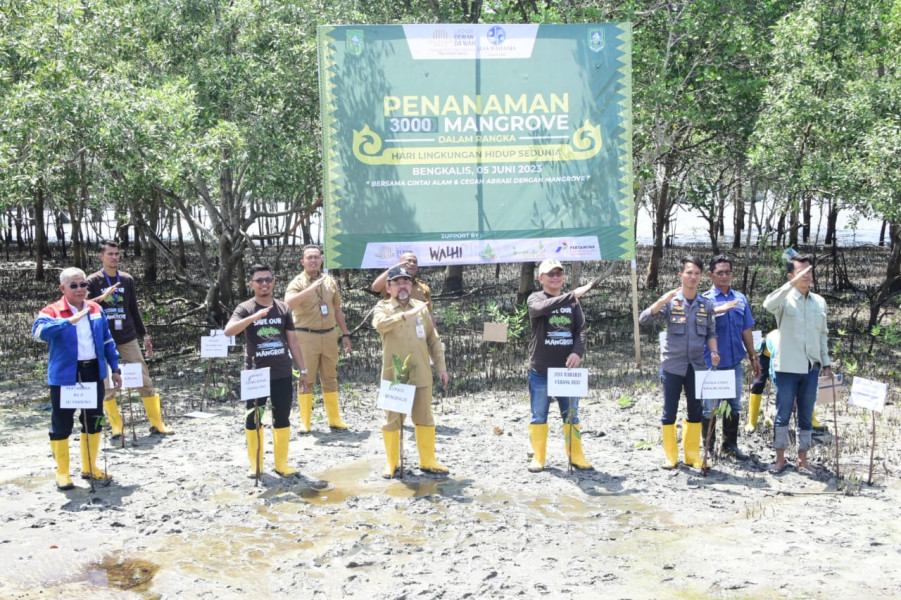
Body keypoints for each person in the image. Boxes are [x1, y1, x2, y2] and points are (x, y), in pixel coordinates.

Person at [32, 267, 122, 489]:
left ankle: (90, 467)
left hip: (93, 372)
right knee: (61, 423)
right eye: (74, 285)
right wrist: (68, 321)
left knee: (95, 419)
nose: (80, 289)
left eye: (83, 284)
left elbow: (107, 340)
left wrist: (115, 367)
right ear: (63, 288)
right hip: (65, 375)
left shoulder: (95, 309)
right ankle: (62, 473)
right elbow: (38, 332)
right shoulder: (52, 311)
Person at [225, 265, 310, 477]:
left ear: (273, 282)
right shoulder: (244, 308)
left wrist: (303, 371)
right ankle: (256, 465)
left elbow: (294, 342)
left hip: (281, 371)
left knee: (282, 417)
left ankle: (281, 464)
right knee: (254, 418)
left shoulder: (283, 308)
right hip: (255, 372)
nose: (264, 283)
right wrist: (253, 318)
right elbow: (228, 331)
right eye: (259, 280)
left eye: (268, 280)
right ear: (251, 284)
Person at [86, 240, 173, 438]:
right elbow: (84, 306)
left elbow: (133, 308)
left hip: (127, 336)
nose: (114, 257)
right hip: (103, 339)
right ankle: (117, 427)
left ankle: (157, 423)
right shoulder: (92, 281)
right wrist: (103, 297)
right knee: (107, 384)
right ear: (101, 256)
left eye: (117, 254)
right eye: (110, 254)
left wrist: (145, 334)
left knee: (144, 377)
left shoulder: (127, 279)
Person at [640, 256, 720, 469]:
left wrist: (714, 351)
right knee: (669, 411)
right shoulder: (671, 301)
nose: (693, 277)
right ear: (681, 275)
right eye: (689, 273)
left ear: (701, 276)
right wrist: (661, 301)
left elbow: (711, 332)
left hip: (696, 366)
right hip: (672, 366)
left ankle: (692, 455)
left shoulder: (706, 304)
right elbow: (643, 319)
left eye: (697, 273)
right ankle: (671, 456)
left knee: (695, 410)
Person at [372, 265, 449, 478]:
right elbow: (380, 325)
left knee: (424, 417)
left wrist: (441, 367)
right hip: (395, 375)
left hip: (421, 373)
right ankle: (392, 463)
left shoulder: (421, 307)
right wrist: (404, 316)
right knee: (392, 420)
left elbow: (433, 340)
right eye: (397, 283)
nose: (402, 286)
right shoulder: (383, 307)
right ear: (388, 287)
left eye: (406, 282)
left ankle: (428, 460)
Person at [762, 255, 831, 473]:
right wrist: (789, 286)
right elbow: (767, 304)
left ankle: (803, 460)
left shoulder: (819, 302)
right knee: (783, 414)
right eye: (801, 272)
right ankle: (780, 459)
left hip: (811, 367)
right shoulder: (784, 299)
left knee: (806, 414)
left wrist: (826, 363)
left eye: (809, 271)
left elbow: (822, 335)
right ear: (791, 275)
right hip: (786, 367)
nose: (806, 275)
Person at [526, 259, 595, 472]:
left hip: (567, 371)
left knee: (572, 414)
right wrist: (572, 294)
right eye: (550, 274)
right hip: (541, 370)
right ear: (541, 278)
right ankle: (539, 457)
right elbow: (541, 308)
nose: (555, 277)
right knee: (539, 415)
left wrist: (577, 352)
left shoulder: (573, 303)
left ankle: (576, 455)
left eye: (559, 273)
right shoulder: (535, 298)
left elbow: (581, 330)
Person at [284, 245, 353, 432]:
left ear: (322, 260)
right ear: (303, 261)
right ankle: (305, 422)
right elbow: (288, 304)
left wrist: (345, 334)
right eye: (309, 257)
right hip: (306, 336)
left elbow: (337, 309)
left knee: (330, 377)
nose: (313, 260)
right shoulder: (297, 282)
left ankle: (334, 419)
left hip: (330, 335)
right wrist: (310, 289)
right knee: (307, 378)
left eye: (316, 257)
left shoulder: (330, 281)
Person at [701, 255, 760, 460]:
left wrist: (753, 356)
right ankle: (708, 448)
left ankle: (730, 445)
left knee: (734, 405)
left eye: (728, 272)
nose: (724, 276)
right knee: (709, 407)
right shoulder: (705, 300)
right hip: (712, 364)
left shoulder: (740, 299)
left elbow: (746, 329)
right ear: (710, 275)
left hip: (735, 362)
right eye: (720, 273)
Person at [371, 252, 436, 327]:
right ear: (400, 264)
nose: (412, 264)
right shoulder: (392, 284)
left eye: (415, 262)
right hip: (396, 329)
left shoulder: (423, 287)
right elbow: (375, 288)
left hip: (418, 331)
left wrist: (434, 334)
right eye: (408, 261)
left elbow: (429, 313)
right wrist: (394, 268)